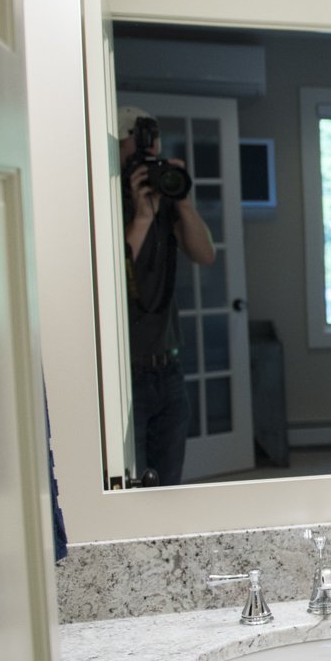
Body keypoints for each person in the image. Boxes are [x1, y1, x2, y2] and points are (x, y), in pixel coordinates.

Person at [120, 106, 215, 485]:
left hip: (168, 367)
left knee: (169, 485)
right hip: (125, 370)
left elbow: (205, 254)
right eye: (138, 141)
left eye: (153, 141)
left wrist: (183, 201)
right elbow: (112, 272)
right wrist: (142, 218)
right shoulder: (108, 201)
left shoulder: (166, 199)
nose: (149, 150)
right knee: (132, 483)